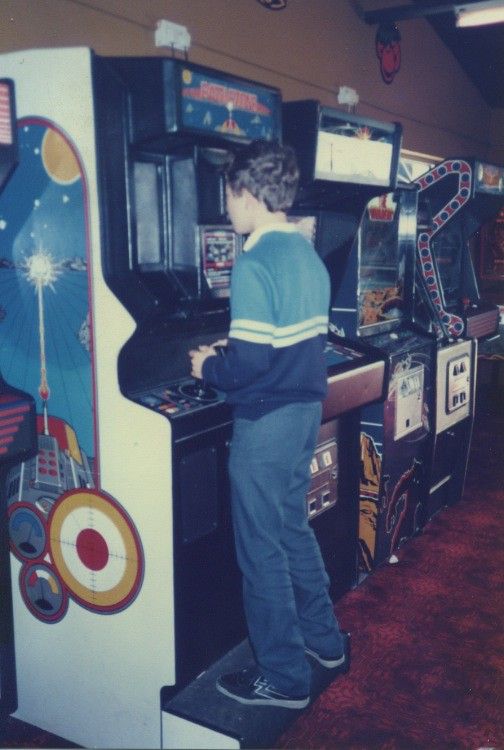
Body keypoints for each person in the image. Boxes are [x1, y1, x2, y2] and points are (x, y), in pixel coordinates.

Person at [189, 139, 348, 710]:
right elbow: (285, 342)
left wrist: (210, 365)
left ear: (249, 193)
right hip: (304, 411)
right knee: (290, 530)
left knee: (261, 551)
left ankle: (282, 676)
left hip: (265, 421)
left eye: (230, 195)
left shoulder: (255, 261)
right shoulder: (308, 256)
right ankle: (325, 642)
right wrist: (240, 350)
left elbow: (250, 365)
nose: (228, 208)